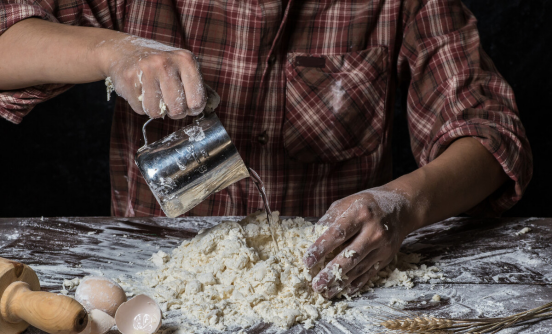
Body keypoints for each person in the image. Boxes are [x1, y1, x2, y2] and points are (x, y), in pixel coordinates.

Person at [0, 0, 532, 298]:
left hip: (333, 283)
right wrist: (112, 51)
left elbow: (492, 134)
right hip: (157, 277)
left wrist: (405, 204)